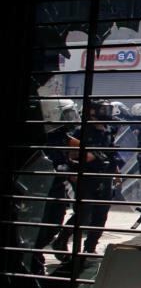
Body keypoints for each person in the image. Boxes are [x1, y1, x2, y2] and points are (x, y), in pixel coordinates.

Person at [51, 100, 122, 257]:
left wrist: (117, 174)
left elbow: (111, 154)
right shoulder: (80, 131)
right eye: (103, 109)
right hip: (86, 177)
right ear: (92, 111)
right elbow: (67, 154)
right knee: (83, 213)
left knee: (101, 214)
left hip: (104, 177)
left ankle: (90, 247)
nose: (107, 113)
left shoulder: (108, 130)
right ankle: (61, 241)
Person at [33, 100, 80, 259]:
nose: (72, 118)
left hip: (58, 187)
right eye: (67, 114)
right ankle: (34, 255)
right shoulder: (41, 138)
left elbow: (76, 148)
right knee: (40, 224)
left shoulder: (62, 136)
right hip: (41, 189)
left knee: (55, 222)